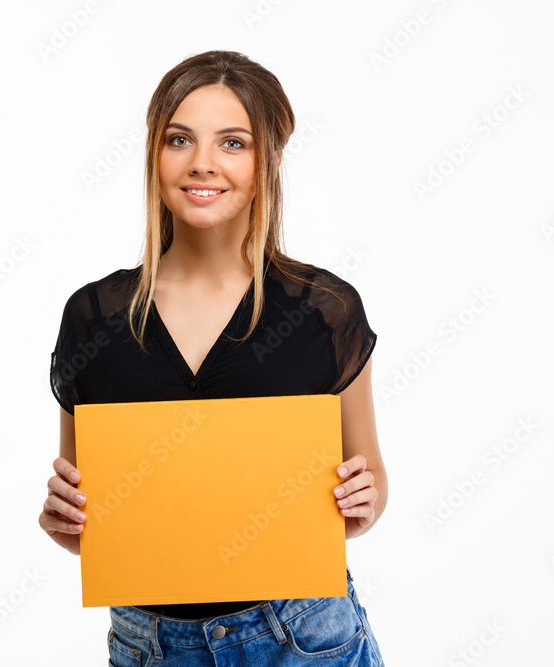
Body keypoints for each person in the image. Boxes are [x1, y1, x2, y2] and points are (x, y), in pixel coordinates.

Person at [40, 50, 388, 666]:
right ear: (155, 153)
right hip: (151, 644)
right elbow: (87, 512)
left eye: (233, 142)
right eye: (180, 139)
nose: (202, 163)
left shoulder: (323, 309)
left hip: (302, 635)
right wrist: (64, 522)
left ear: (268, 161)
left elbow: (372, 481)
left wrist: (361, 503)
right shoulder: (93, 316)